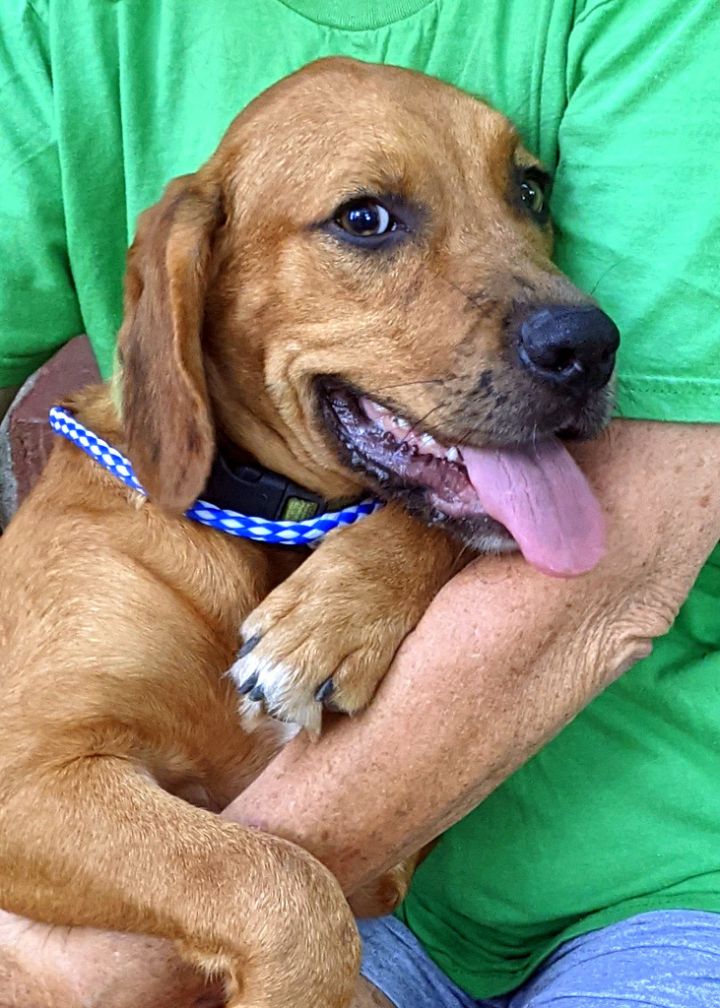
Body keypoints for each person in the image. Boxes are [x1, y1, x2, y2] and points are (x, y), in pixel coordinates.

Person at [1, 2, 720, 1006]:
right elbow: (21, 799)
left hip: (650, 890)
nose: (562, 313)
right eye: (369, 221)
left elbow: (611, 575)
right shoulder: (70, 27)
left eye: (523, 193)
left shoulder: (666, 24)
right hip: (336, 922)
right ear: (192, 286)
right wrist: (255, 911)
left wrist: (411, 546)